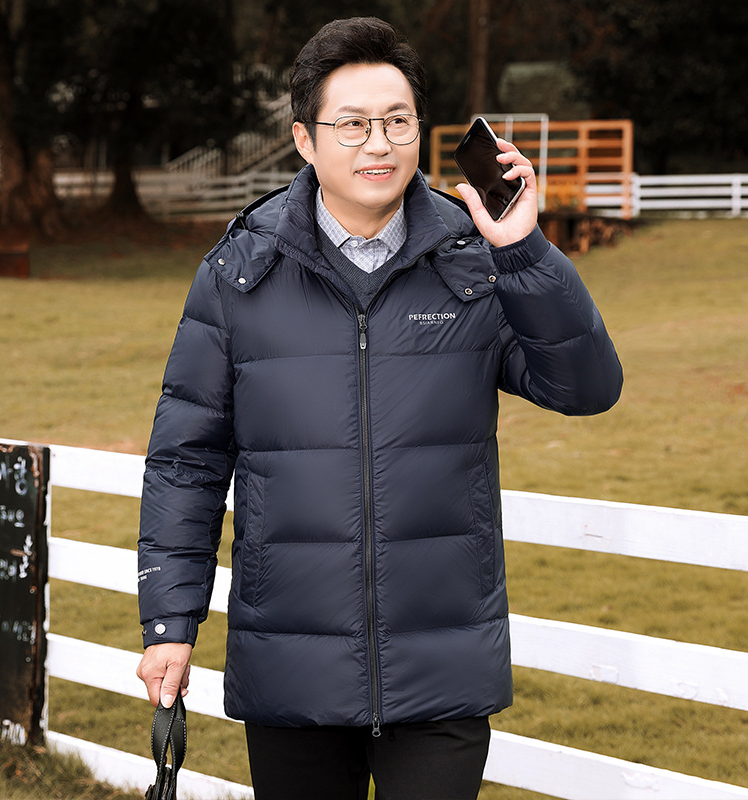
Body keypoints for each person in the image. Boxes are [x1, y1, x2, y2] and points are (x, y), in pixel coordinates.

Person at [136, 16, 623, 800]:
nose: (380, 144)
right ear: (304, 139)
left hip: (442, 665)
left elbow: (586, 388)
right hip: (292, 665)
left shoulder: (474, 259)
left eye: (399, 122)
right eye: (353, 124)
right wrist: (170, 622)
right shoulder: (239, 272)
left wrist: (524, 252)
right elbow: (186, 462)